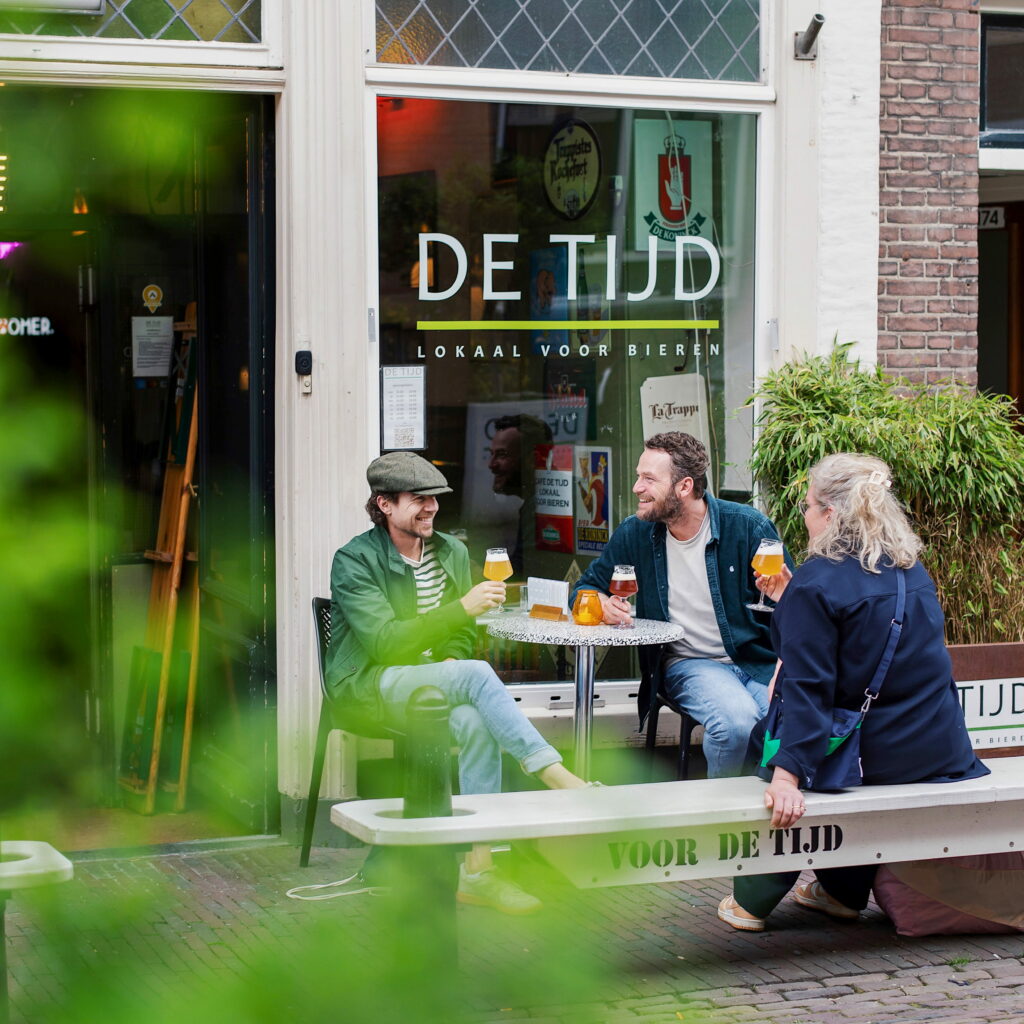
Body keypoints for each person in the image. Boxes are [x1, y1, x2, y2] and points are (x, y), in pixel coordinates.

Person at [717, 452, 989, 932]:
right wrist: (792, 600)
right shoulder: (911, 572)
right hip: (933, 750)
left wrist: (786, 777)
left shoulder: (816, 583)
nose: (804, 515)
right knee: (824, 753)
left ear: (830, 514)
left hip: (869, 756)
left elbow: (808, 690)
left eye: (807, 505)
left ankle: (752, 900)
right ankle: (840, 894)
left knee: (770, 747)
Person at [325, 451, 587, 914]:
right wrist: (462, 610)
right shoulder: (355, 560)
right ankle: (559, 778)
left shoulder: (451, 551)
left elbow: (462, 636)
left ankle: (478, 869)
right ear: (385, 504)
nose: (431, 507)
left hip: (434, 680)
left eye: (435, 498)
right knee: (477, 674)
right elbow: (385, 644)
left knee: (474, 720)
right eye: (418, 499)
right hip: (372, 681)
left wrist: (450, 661)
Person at [572, 432, 790, 778]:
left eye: (648, 479)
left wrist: (786, 599)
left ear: (684, 486)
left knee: (783, 720)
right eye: (639, 476)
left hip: (755, 659)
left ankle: (768, 802)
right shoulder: (636, 533)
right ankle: (722, 810)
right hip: (688, 662)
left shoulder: (747, 527)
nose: (637, 488)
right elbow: (584, 589)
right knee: (735, 724)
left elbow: (795, 608)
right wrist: (600, 604)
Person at [487, 413, 553, 575]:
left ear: (534, 459)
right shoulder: (540, 500)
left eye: (502, 455)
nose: (491, 464)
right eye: (491, 454)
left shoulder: (544, 504)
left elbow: (526, 572)